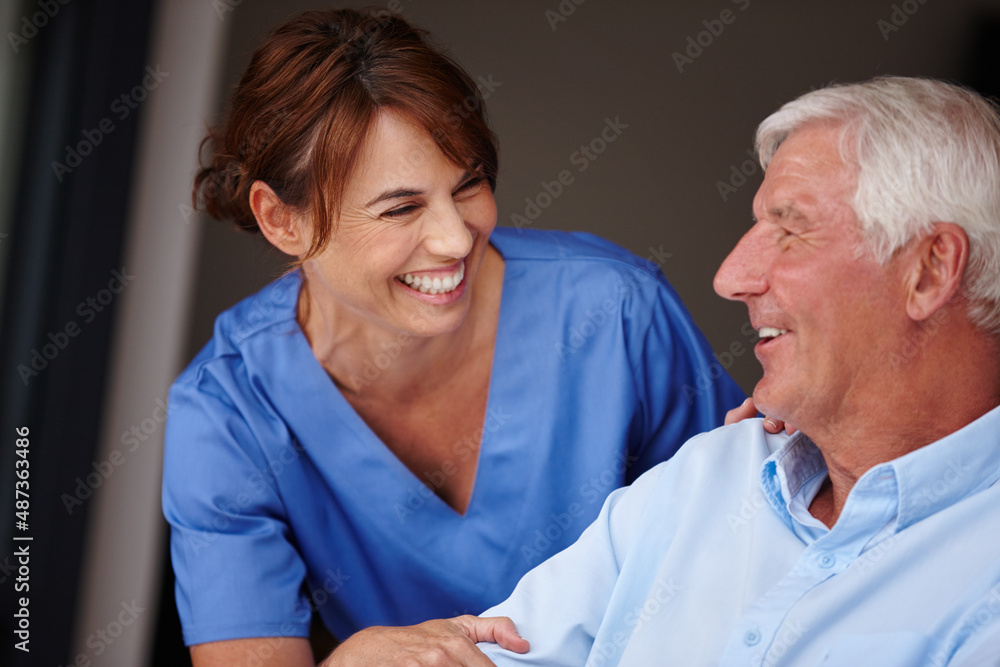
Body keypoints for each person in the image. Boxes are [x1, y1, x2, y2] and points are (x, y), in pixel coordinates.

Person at [330, 76, 1000, 665]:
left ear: (930, 269)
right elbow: (503, 656)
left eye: (790, 232)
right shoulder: (712, 473)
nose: (730, 277)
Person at [161, 8, 745, 665]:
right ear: (282, 220)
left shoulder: (616, 314)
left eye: (468, 185)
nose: (454, 237)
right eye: (402, 208)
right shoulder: (226, 412)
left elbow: (745, 562)